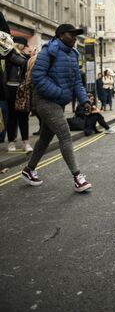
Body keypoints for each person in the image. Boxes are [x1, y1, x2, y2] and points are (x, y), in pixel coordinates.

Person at [21, 24, 92, 191]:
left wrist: (84, 101)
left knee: (45, 138)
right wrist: (59, 93)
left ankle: (28, 170)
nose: (75, 37)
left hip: (58, 103)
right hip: (45, 101)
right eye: (71, 34)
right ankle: (77, 178)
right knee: (65, 136)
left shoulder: (73, 54)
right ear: (61, 35)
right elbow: (37, 77)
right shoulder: (49, 51)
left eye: (76, 35)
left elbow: (76, 82)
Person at [6, 36, 33, 152]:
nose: (24, 49)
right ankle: (11, 142)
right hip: (11, 89)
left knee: (23, 117)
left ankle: (26, 142)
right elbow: (21, 61)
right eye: (24, 46)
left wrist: (30, 56)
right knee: (12, 117)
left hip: (22, 88)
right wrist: (31, 56)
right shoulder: (8, 54)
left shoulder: (24, 57)